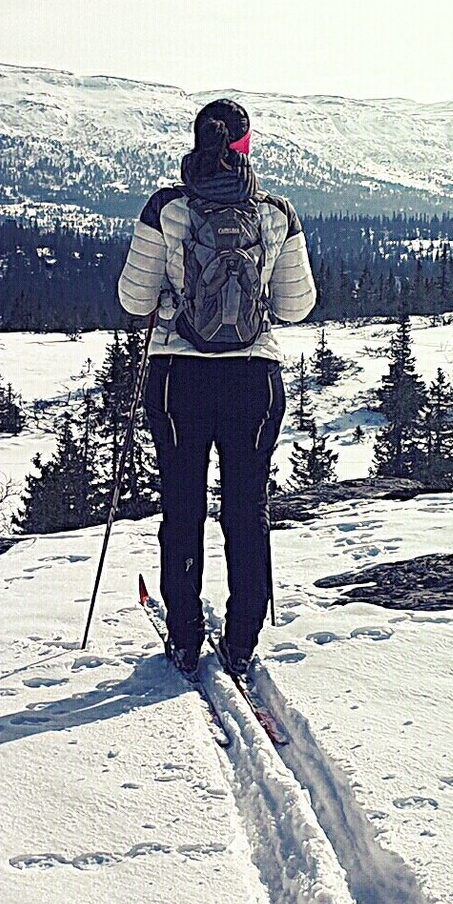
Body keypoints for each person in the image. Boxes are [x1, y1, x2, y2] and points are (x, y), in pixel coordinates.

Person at [117, 97, 316, 678]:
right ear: (245, 145)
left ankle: (183, 635)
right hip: (254, 377)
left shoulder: (166, 210)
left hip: (180, 374)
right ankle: (244, 635)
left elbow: (133, 300)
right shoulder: (277, 213)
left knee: (183, 506)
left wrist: (172, 298)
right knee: (247, 506)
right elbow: (297, 306)